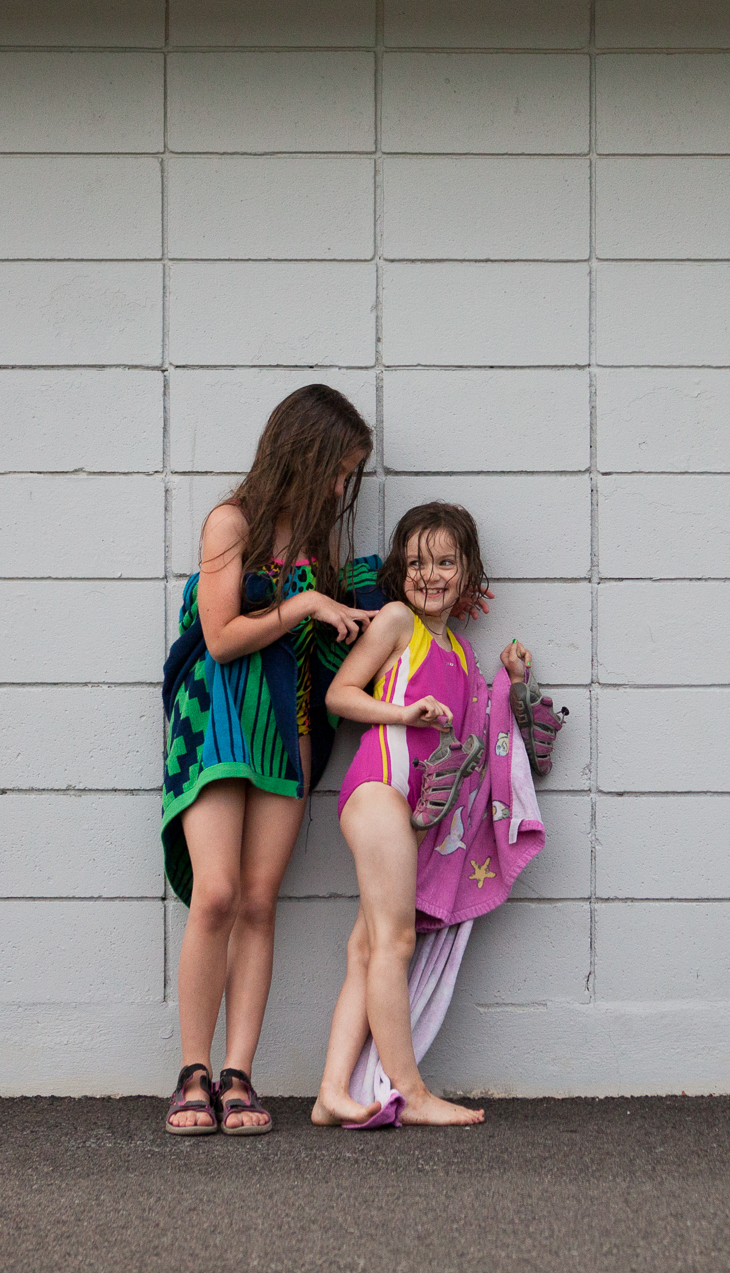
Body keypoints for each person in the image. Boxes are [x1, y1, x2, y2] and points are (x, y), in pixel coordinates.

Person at [159, 384, 379, 1136]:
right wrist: (308, 605)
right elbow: (221, 638)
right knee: (216, 894)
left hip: (286, 729)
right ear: (307, 452)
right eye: (339, 469)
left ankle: (238, 1072)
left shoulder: (317, 552)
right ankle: (192, 1070)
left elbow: (365, 596)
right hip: (218, 722)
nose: (341, 487)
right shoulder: (232, 522)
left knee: (258, 899)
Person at [309, 502, 532, 1128]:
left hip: (409, 810)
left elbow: (481, 730)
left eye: (444, 562)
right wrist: (402, 714)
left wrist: (512, 677)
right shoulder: (397, 622)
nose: (428, 574)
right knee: (396, 941)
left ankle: (331, 1091)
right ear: (398, 573)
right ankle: (410, 1091)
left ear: (467, 573)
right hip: (380, 792)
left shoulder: (457, 649)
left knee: (367, 946)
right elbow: (339, 695)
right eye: (414, 563)